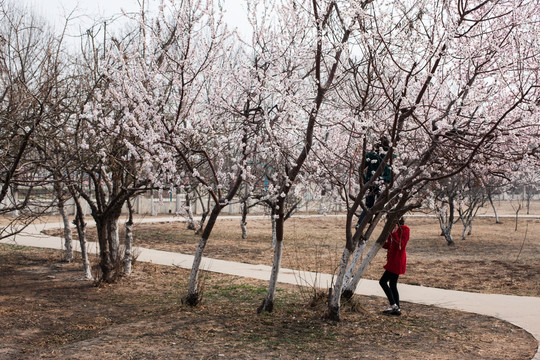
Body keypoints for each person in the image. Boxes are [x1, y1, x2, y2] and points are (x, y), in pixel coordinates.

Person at [356, 136, 391, 228]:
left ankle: (360, 224)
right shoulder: (391, 155)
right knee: (380, 205)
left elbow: (360, 169)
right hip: (385, 183)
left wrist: (365, 180)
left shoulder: (370, 155)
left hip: (371, 183)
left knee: (369, 206)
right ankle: (372, 220)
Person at [379, 217, 409, 316]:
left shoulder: (404, 229)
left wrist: (395, 232)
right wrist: (381, 243)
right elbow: (390, 244)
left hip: (397, 260)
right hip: (392, 260)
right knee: (392, 284)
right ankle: (397, 308)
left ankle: (393, 305)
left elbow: (401, 244)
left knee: (383, 281)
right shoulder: (391, 229)